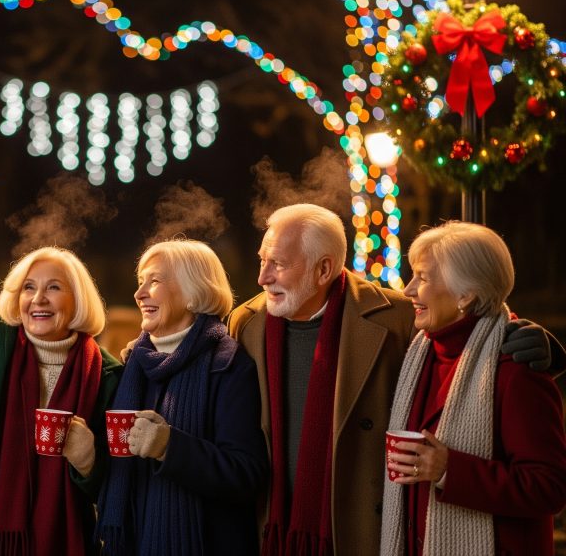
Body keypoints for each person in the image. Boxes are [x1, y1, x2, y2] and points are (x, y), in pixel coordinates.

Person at [226, 203, 560, 555]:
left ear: (324, 269)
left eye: (278, 263)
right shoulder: (246, 323)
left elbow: (480, 335)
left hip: (364, 534)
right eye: (262, 259)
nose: (262, 277)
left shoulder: (402, 321)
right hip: (275, 533)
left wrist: (540, 345)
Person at [0, 139, 123, 556]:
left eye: (53, 288)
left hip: (64, 540)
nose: (38, 299)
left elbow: (117, 482)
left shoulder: (107, 373)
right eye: (28, 288)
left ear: (78, 300)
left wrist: (88, 460)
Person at [380, 221, 566, 556]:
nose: (407, 290)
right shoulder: (419, 353)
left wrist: (450, 470)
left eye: (422, 278)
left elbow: (549, 488)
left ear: (465, 295)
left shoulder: (516, 370)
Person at [98, 239, 268, 555]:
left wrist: (169, 447)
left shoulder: (228, 366)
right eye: (140, 282)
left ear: (193, 293)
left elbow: (246, 475)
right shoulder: (133, 365)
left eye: (155, 281)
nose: (139, 294)